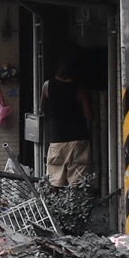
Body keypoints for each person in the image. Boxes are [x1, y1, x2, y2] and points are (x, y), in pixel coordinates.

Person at [40, 57, 92, 189]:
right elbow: (89, 115)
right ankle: (75, 207)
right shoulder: (80, 88)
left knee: (54, 179)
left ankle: (55, 207)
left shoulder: (48, 86)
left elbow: (42, 109)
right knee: (77, 179)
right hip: (78, 138)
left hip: (57, 138)